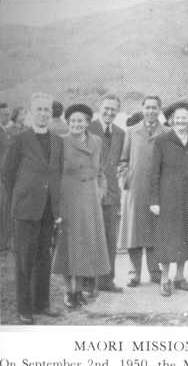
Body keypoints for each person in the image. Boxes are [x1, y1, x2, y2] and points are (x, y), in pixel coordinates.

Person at [1, 93, 63, 324]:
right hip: (26, 208)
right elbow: (7, 174)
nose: (44, 113)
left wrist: (56, 206)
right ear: (30, 112)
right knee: (25, 260)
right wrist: (23, 194)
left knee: (43, 258)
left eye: (47, 109)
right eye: (39, 109)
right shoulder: (19, 139)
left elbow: (57, 173)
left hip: (49, 209)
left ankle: (42, 303)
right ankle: (24, 308)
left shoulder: (58, 140)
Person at [53, 103, 110, 308]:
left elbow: (101, 170)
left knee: (86, 245)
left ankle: (79, 290)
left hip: (90, 200)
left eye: (81, 121)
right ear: (68, 122)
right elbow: (55, 174)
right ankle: (69, 292)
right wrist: (57, 204)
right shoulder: (61, 142)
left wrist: (101, 189)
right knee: (68, 247)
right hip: (69, 198)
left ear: (87, 123)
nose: (76, 124)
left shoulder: (96, 141)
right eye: (73, 121)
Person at [150, 102, 188, 297]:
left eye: (185, 118)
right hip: (168, 196)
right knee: (167, 238)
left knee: (185, 237)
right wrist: (154, 200)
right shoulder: (162, 141)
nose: (181, 121)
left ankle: (180, 277)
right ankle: (165, 278)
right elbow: (154, 172)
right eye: (178, 118)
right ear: (171, 120)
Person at [118, 95, 168, 287]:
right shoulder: (131, 131)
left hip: (157, 190)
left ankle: (155, 272)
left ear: (160, 109)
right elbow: (123, 160)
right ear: (142, 108)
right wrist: (125, 177)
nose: (150, 111)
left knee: (155, 231)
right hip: (135, 190)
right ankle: (134, 273)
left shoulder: (166, 132)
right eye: (147, 107)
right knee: (134, 232)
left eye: (154, 107)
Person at [87, 93, 125, 292]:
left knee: (110, 238)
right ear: (99, 108)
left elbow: (120, 161)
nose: (109, 112)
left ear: (118, 111)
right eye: (106, 108)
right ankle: (89, 282)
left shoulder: (120, 132)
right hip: (91, 193)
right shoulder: (89, 128)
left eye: (113, 109)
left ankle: (106, 280)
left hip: (111, 193)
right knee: (91, 237)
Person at [0, 102, 12, 252]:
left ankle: (3, 243)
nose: (8, 117)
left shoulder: (5, 131)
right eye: (5, 114)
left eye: (8, 114)